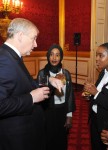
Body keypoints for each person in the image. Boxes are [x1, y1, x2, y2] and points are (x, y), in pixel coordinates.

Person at [0, 18, 64, 150]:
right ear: (20, 36)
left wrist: (49, 80)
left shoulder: (12, 56)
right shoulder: (4, 59)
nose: (36, 44)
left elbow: (23, 84)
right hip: (16, 138)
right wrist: (31, 98)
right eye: (34, 38)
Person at [38, 44, 76, 150]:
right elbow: (40, 96)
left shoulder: (66, 74)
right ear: (48, 56)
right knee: (48, 140)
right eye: (51, 55)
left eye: (57, 55)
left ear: (61, 57)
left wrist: (69, 116)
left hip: (62, 111)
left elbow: (69, 96)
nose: (54, 58)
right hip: (48, 111)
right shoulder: (42, 74)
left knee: (62, 139)